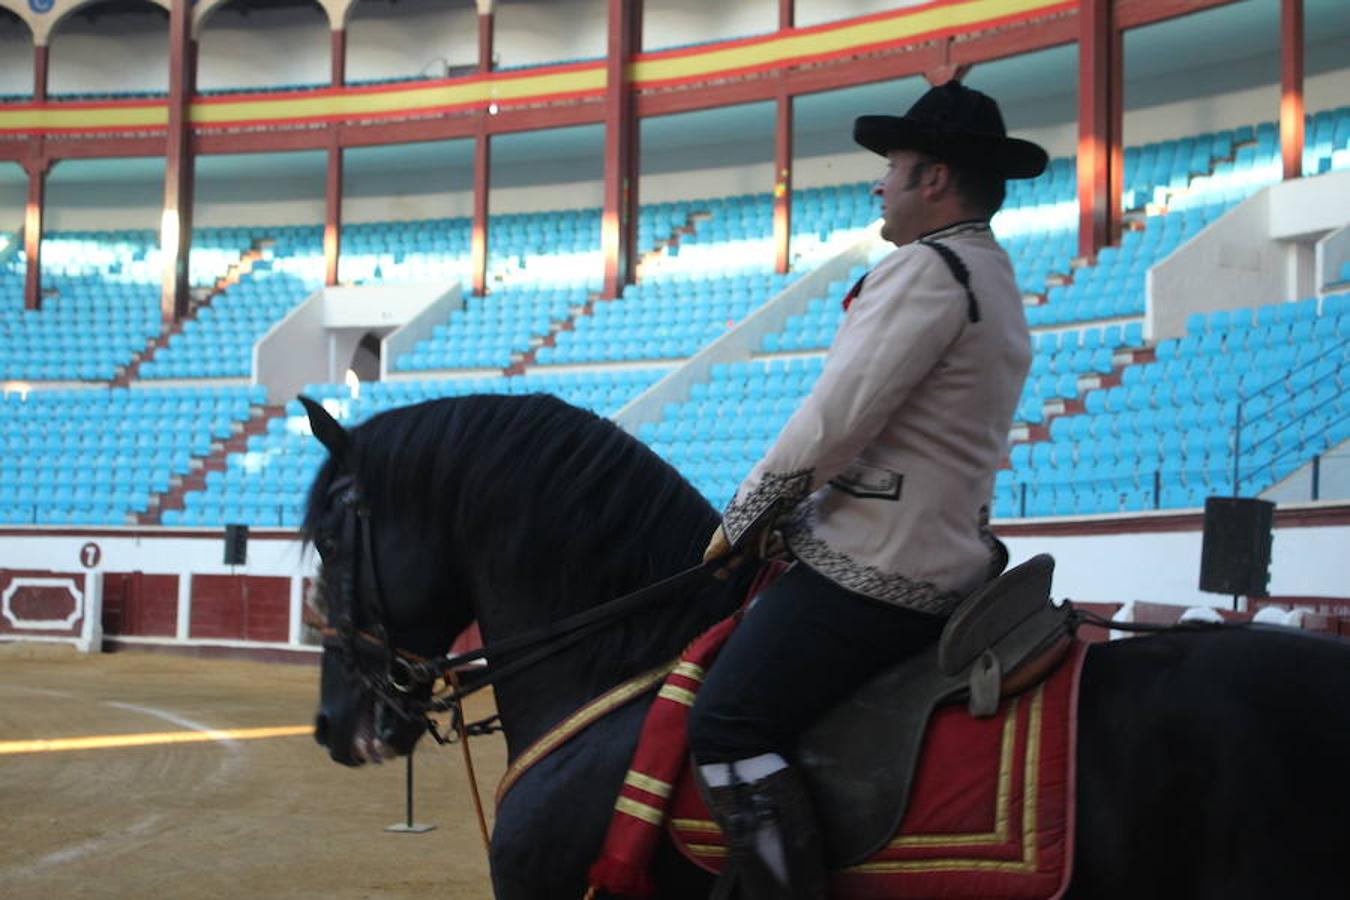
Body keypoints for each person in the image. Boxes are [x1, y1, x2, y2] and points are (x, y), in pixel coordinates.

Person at [687, 81, 1047, 900]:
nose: (878, 185)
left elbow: (834, 420)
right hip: (949, 556)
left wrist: (745, 518)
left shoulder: (927, 268)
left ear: (935, 178)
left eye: (892, 168)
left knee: (728, 721)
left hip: (881, 563)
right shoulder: (991, 272)